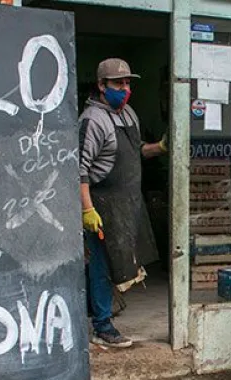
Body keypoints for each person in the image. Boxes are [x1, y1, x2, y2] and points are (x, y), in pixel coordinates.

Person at [79, 58, 167, 348]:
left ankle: (103, 314)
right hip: (102, 204)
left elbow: (138, 150)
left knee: (125, 263)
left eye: (128, 83)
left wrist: (161, 148)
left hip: (127, 202)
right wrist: (87, 209)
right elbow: (78, 169)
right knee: (103, 266)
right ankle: (102, 325)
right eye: (118, 84)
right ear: (102, 86)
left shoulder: (129, 114)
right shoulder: (92, 120)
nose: (125, 89)